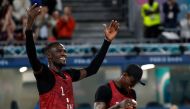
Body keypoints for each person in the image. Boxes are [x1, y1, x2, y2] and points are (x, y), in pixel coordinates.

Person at [25, 3, 119, 109]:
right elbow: (32, 56)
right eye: (59, 51)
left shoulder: (69, 75)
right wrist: (28, 26)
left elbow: (93, 69)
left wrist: (107, 41)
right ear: (49, 55)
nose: (64, 53)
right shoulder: (45, 75)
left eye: (65, 51)